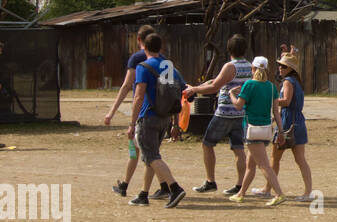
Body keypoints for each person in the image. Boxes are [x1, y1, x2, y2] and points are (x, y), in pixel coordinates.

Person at [125, 34, 188, 208]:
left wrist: (132, 123)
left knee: (152, 156)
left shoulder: (143, 66)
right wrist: (175, 122)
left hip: (148, 116)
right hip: (164, 117)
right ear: (161, 48)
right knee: (150, 157)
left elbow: (138, 96)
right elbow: (174, 95)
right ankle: (143, 194)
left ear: (144, 47)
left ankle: (174, 188)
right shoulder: (168, 66)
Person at [184, 34, 251, 195]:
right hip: (241, 112)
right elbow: (217, 81)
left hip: (225, 112)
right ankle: (240, 184)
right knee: (238, 148)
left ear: (229, 50)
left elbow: (214, 86)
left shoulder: (229, 66)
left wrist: (194, 89)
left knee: (207, 144)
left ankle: (210, 180)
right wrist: (198, 86)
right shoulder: (249, 66)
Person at [229, 56, 286, 206]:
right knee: (250, 165)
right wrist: (281, 131)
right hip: (265, 129)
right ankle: (241, 193)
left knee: (264, 165)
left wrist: (231, 95)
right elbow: (276, 112)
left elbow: (238, 106)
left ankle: (279, 193)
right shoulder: (272, 87)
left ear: (252, 69)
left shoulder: (249, 84)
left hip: (252, 129)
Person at [258, 50, 315, 202]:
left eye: (283, 66)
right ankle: (307, 192)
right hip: (298, 121)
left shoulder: (288, 81)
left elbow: (286, 101)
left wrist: (271, 100)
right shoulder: (296, 81)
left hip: (288, 121)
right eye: (279, 65)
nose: (280, 68)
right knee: (300, 160)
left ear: (290, 69)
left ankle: (267, 189)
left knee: (275, 158)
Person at [107, 25, 156, 196]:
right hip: (159, 111)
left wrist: (112, 112)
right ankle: (163, 185)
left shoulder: (137, 58)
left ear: (139, 40)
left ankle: (127, 186)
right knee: (151, 151)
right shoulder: (162, 59)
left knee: (136, 151)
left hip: (142, 112)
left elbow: (127, 85)